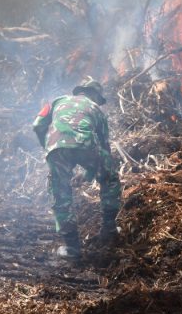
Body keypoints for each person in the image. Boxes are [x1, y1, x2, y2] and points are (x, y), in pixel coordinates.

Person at [31, 78, 121, 260]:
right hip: (86, 146)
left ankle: (72, 248)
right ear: (95, 95)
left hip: (56, 149)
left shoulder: (57, 102)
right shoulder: (97, 110)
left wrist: (48, 147)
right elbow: (103, 148)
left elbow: (37, 125)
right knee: (110, 179)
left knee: (60, 192)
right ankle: (109, 228)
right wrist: (95, 172)